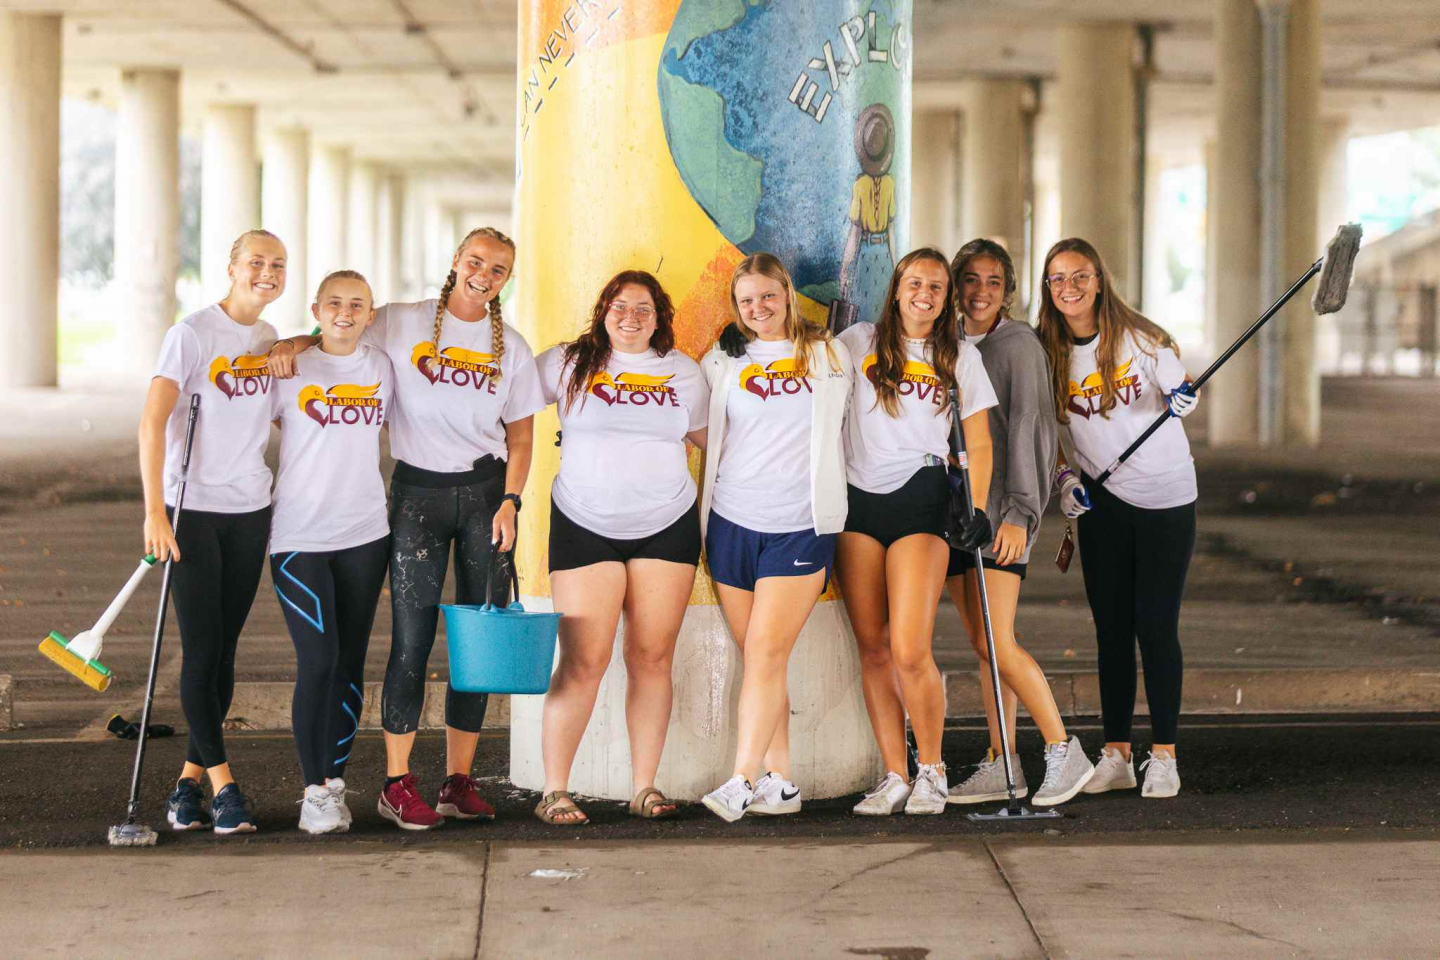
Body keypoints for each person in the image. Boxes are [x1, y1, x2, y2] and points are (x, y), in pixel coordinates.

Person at [270, 227, 542, 830]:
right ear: (457, 260)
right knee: (411, 643)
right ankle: (397, 784)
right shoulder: (400, 320)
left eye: (498, 269)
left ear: (506, 279)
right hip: (417, 497)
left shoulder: (514, 348)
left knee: (476, 639)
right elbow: (340, 331)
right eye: (476, 262)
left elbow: (522, 436)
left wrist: (511, 501)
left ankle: (457, 782)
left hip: (487, 497)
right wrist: (295, 340)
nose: (483, 275)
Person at [532, 271, 708, 825]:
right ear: (603, 311)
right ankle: (554, 790)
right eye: (620, 306)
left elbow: (719, 438)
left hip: (667, 523)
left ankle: (644, 787)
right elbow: (503, 399)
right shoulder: (567, 362)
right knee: (583, 660)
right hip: (584, 522)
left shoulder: (683, 371)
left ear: (659, 318)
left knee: (652, 658)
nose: (631, 317)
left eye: (643, 309)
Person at [1035, 237, 1199, 800]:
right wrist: (1065, 481)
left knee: (1155, 625)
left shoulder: (1142, 338)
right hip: (1102, 501)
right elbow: (1047, 435)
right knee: (1111, 631)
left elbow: (1179, 387)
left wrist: (1182, 398)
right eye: (1058, 278)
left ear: (1099, 280)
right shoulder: (1047, 352)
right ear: (1048, 288)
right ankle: (1117, 754)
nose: (1070, 288)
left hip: (1166, 497)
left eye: (1080, 276)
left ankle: (1165, 755)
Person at [835, 248, 998, 816]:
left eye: (935, 287)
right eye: (914, 284)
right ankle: (896, 774)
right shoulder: (857, 341)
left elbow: (979, 441)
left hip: (921, 498)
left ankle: (932, 770)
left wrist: (978, 506)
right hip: (857, 502)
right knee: (874, 649)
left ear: (946, 297)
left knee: (909, 649)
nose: (924, 295)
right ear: (897, 288)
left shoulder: (960, 356)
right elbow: (802, 359)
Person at [696, 254, 854, 822]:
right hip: (731, 524)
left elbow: (852, 425)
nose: (758, 308)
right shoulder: (721, 359)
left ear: (786, 293)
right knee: (765, 661)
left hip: (800, 526)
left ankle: (742, 778)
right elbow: (702, 428)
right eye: (746, 300)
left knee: (765, 654)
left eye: (767, 295)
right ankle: (781, 782)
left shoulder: (828, 354)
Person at [139, 229, 286, 835]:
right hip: (191, 510)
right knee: (201, 650)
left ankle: (186, 787)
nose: (267, 272)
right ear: (231, 267)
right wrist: (154, 511)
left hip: (250, 509)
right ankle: (225, 787)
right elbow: (152, 423)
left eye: (278, 265)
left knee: (224, 652)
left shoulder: (269, 337)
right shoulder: (192, 334)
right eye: (256, 262)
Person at [942, 239, 1095, 808]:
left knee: (998, 640)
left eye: (994, 282)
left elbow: (1034, 430)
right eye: (971, 279)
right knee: (984, 645)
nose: (981, 291)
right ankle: (1002, 760)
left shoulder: (1018, 345)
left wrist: (1020, 513)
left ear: (1008, 290)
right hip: (959, 513)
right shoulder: (951, 341)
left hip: (1002, 515)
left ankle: (1062, 748)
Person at [268, 270, 394, 834]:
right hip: (299, 536)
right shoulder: (288, 368)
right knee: (317, 661)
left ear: (371, 315)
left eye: (357, 304)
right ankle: (312, 792)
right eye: (335, 303)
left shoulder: (383, 366)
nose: (346, 312)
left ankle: (335, 784)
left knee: (348, 664)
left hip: (365, 534)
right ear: (315, 309)